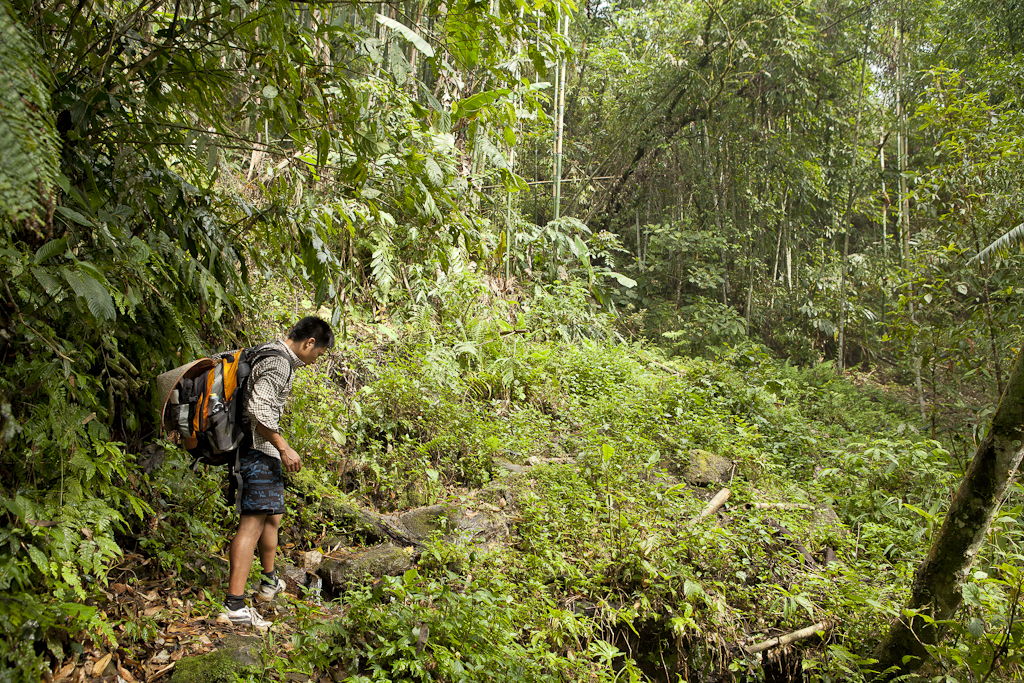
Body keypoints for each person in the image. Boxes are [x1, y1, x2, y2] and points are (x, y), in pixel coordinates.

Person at [216, 316, 334, 629]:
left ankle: (269, 582)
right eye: (318, 354)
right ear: (309, 343)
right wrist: (283, 446)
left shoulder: (269, 352)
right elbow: (259, 408)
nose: (314, 361)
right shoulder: (279, 363)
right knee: (251, 524)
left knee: (272, 516)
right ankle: (234, 606)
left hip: (261, 451)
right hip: (257, 451)